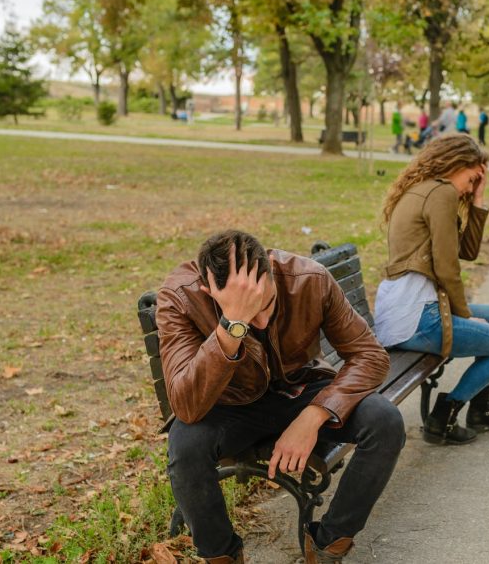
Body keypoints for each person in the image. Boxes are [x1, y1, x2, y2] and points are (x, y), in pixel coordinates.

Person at [158, 230, 403, 563]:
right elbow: (186, 405)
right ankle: (222, 556)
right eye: (247, 315)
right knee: (185, 445)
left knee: (384, 420)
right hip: (228, 404)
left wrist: (315, 414)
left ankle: (328, 544)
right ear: (210, 290)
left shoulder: (307, 279)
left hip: (301, 391)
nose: (259, 320)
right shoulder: (179, 297)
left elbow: (370, 356)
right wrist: (232, 325)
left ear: (271, 270)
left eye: (266, 305)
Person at [376, 134, 489, 446]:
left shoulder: (427, 189)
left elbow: (466, 252)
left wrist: (478, 200)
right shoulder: (440, 193)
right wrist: (466, 316)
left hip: (409, 310)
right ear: (457, 164)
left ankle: (483, 409)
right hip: (415, 318)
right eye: (472, 179)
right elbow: (446, 268)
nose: (470, 188)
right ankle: (445, 413)